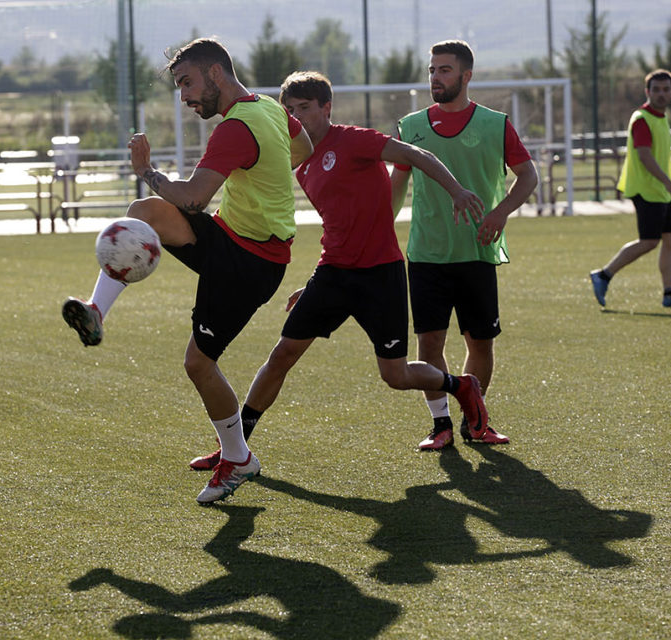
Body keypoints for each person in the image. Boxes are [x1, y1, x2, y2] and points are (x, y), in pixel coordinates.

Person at [189, 70, 490, 471]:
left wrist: (457, 190)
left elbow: (418, 156)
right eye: (290, 110)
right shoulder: (300, 163)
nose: (297, 116)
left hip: (379, 274)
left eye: (305, 108)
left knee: (395, 375)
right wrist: (311, 286)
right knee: (282, 355)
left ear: (327, 108)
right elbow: (338, 224)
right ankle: (234, 447)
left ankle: (461, 386)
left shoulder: (354, 140)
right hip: (332, 274)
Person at [61, 39, 313, 504]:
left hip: (251, 263)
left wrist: (146, 170)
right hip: (231, 238)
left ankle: (238, 457)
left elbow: (194, 198)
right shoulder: (269, 108)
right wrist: (271, 169)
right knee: (144, 213)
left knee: (198, 364)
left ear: (216, 73)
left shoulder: (237, 128)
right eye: (179, 87)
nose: (184, 97)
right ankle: (96, 310)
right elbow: (304, 145)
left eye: (187, 83)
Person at [390, 40, 539, 451]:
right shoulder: (410, 125)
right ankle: (440, 424)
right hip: (427, 253)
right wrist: (381, 227)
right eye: (432, 70)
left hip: (477, 251)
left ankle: (475, 420)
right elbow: (396, 186)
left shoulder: (495, 124)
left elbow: (528, 176)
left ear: (466, 75)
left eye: (444, 70)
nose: (435, 77)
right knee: (429, 345)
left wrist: (500, 213)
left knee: (480, 343)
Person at [589, 69, 671, 309]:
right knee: (649, 241)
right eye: (656, 90)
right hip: (646, 189)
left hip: (660, 191)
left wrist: (666, 186)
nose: (661, 94)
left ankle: (670, 293)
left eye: (665, 89)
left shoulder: (661, 117)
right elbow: (645, 156)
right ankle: (603, 275)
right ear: (647, 91)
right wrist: (668, 183)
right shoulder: (642, 119)